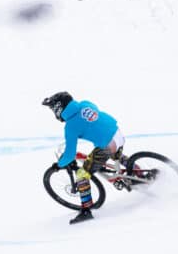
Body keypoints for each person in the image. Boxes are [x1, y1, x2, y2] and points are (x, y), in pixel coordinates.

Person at [42, 91, 127, 224]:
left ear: (59, 109)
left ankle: (86, 210)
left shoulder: (70, 127)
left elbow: (70, 154)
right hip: (117, 132)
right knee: (112, 152)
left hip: (106, 144)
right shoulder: (85, 104)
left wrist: (59, 165)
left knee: (82, 174)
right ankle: (136, 170)